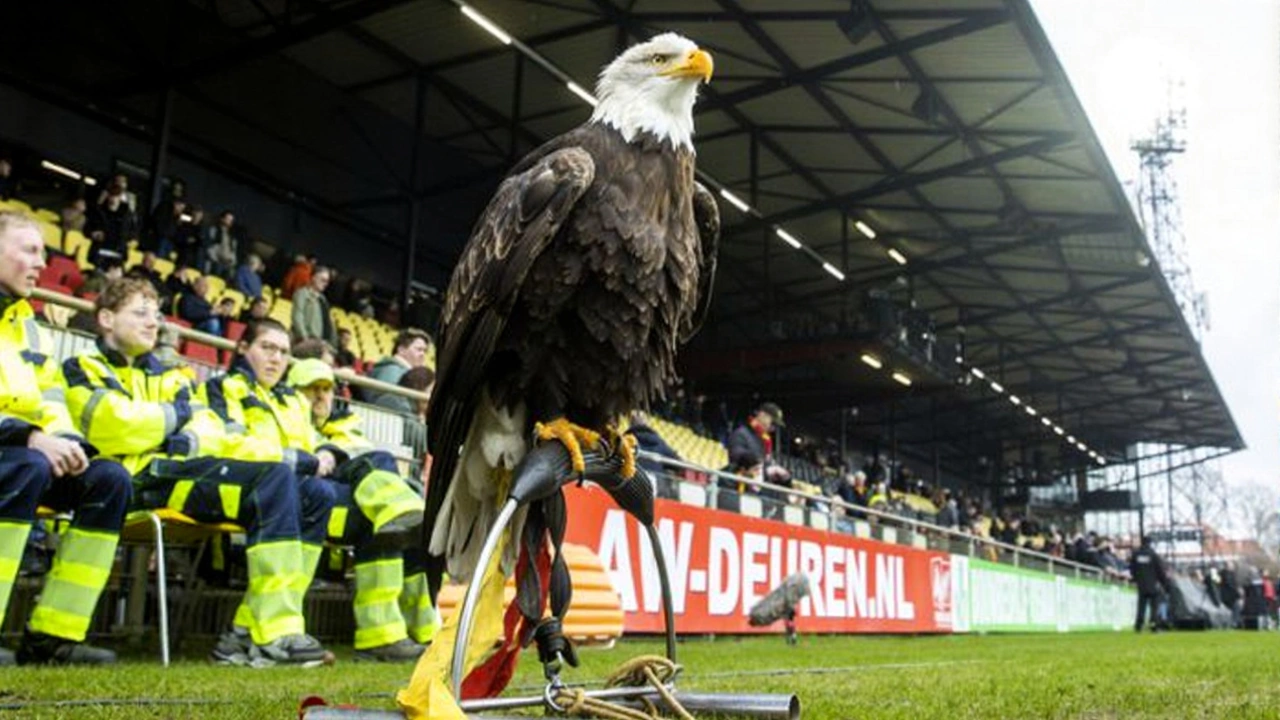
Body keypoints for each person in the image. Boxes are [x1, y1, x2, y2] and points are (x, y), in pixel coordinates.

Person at [62, 278, 330, 667]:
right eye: (141, 313)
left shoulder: (172, 376)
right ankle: (273, 634)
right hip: (132, 481)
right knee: (275, 477)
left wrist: (171, 433)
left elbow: (206, 431)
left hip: (178, 473)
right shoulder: (80, 367)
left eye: (156, 315)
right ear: (105, 318)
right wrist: (175, 423)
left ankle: (249, 633)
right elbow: (112, 423)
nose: (154, 323)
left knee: (312, 493)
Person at [201, 319, 426, 663]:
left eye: (282, 352)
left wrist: (325, 454)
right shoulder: (224, 388)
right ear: (243, 349)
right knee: (323, 491)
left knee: (377, 515)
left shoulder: (289, 403)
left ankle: (383, 635)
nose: (275, 358)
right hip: (252, 484)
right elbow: (230, 445)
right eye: (267, 348)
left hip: (296, 485)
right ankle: (252, 628)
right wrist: (310, 459)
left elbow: (316, 445)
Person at [0, 211, 134, 665]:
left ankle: (52, 638)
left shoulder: (28, 324)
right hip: (17, 451)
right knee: (27, 464)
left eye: (44, 252)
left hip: (24, 449)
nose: (42, 264)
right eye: (30, 250)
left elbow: (50, 397)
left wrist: (66, 442)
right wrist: (30, 438)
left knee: (109, 479)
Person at [288, 358, 439, 659]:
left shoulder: (344, 424)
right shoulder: (289, 419)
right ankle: (381, 637)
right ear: (294, 392)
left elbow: (349, 452)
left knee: (387, 523)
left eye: (326, 389)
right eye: (311, 389)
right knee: (383, 480)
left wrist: (331, 450)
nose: (321, 396)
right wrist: (326, 452)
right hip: (308, 494)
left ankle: (419, 633)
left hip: (343, 498)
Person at [363, 329, 430, 406]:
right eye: (419, 349)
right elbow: (387, 403)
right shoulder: (391, 370)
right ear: (401, 350)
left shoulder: (400, 371)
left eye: (425, 351)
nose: (423, 354)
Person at [625, 411, 681, 499]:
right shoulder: (659, 442)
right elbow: (677, 463)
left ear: (630, 423)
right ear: (647, 423)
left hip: (628, 487)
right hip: (656, 491)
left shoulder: (624, 440)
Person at [86, 175, 138, 264]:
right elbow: (87, 228)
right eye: (112, 195)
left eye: (117, 196)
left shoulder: (127, 217)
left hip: (118, 255)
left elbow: (132, 232)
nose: (113, 199)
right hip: (99, 254)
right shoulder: (99, 213)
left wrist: (129, 240)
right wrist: (92, 233)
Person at [1129, 536, 1170, 632]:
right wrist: (1165, 584)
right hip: (1152, 584)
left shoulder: (1136, 555)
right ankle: (1154, 624)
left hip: (1141, 584)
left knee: (1141, 605)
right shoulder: (1153, 555)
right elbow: (1160, 571)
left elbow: (1132, 569)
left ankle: (1138, 625)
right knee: (1154, 606)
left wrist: (1136, 579)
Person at [291, 265, 336, 346]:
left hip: (320, 342)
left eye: (327, 281)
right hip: (304, 341)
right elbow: (297, 316)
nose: (325, 284)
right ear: (313, 277)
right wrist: (304, 338)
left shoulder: (323, 299)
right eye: (323, 280)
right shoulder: (302, 293)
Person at [203, 210, 238, 279]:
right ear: (222, 219)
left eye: (231, 220)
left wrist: (232, 261)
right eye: (228, 219)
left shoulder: (231, 236)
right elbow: (209, 245)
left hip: (227, 265)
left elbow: (233, 250)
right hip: (216, 263)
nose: (229, 222)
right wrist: (215, 259)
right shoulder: (214, 230)